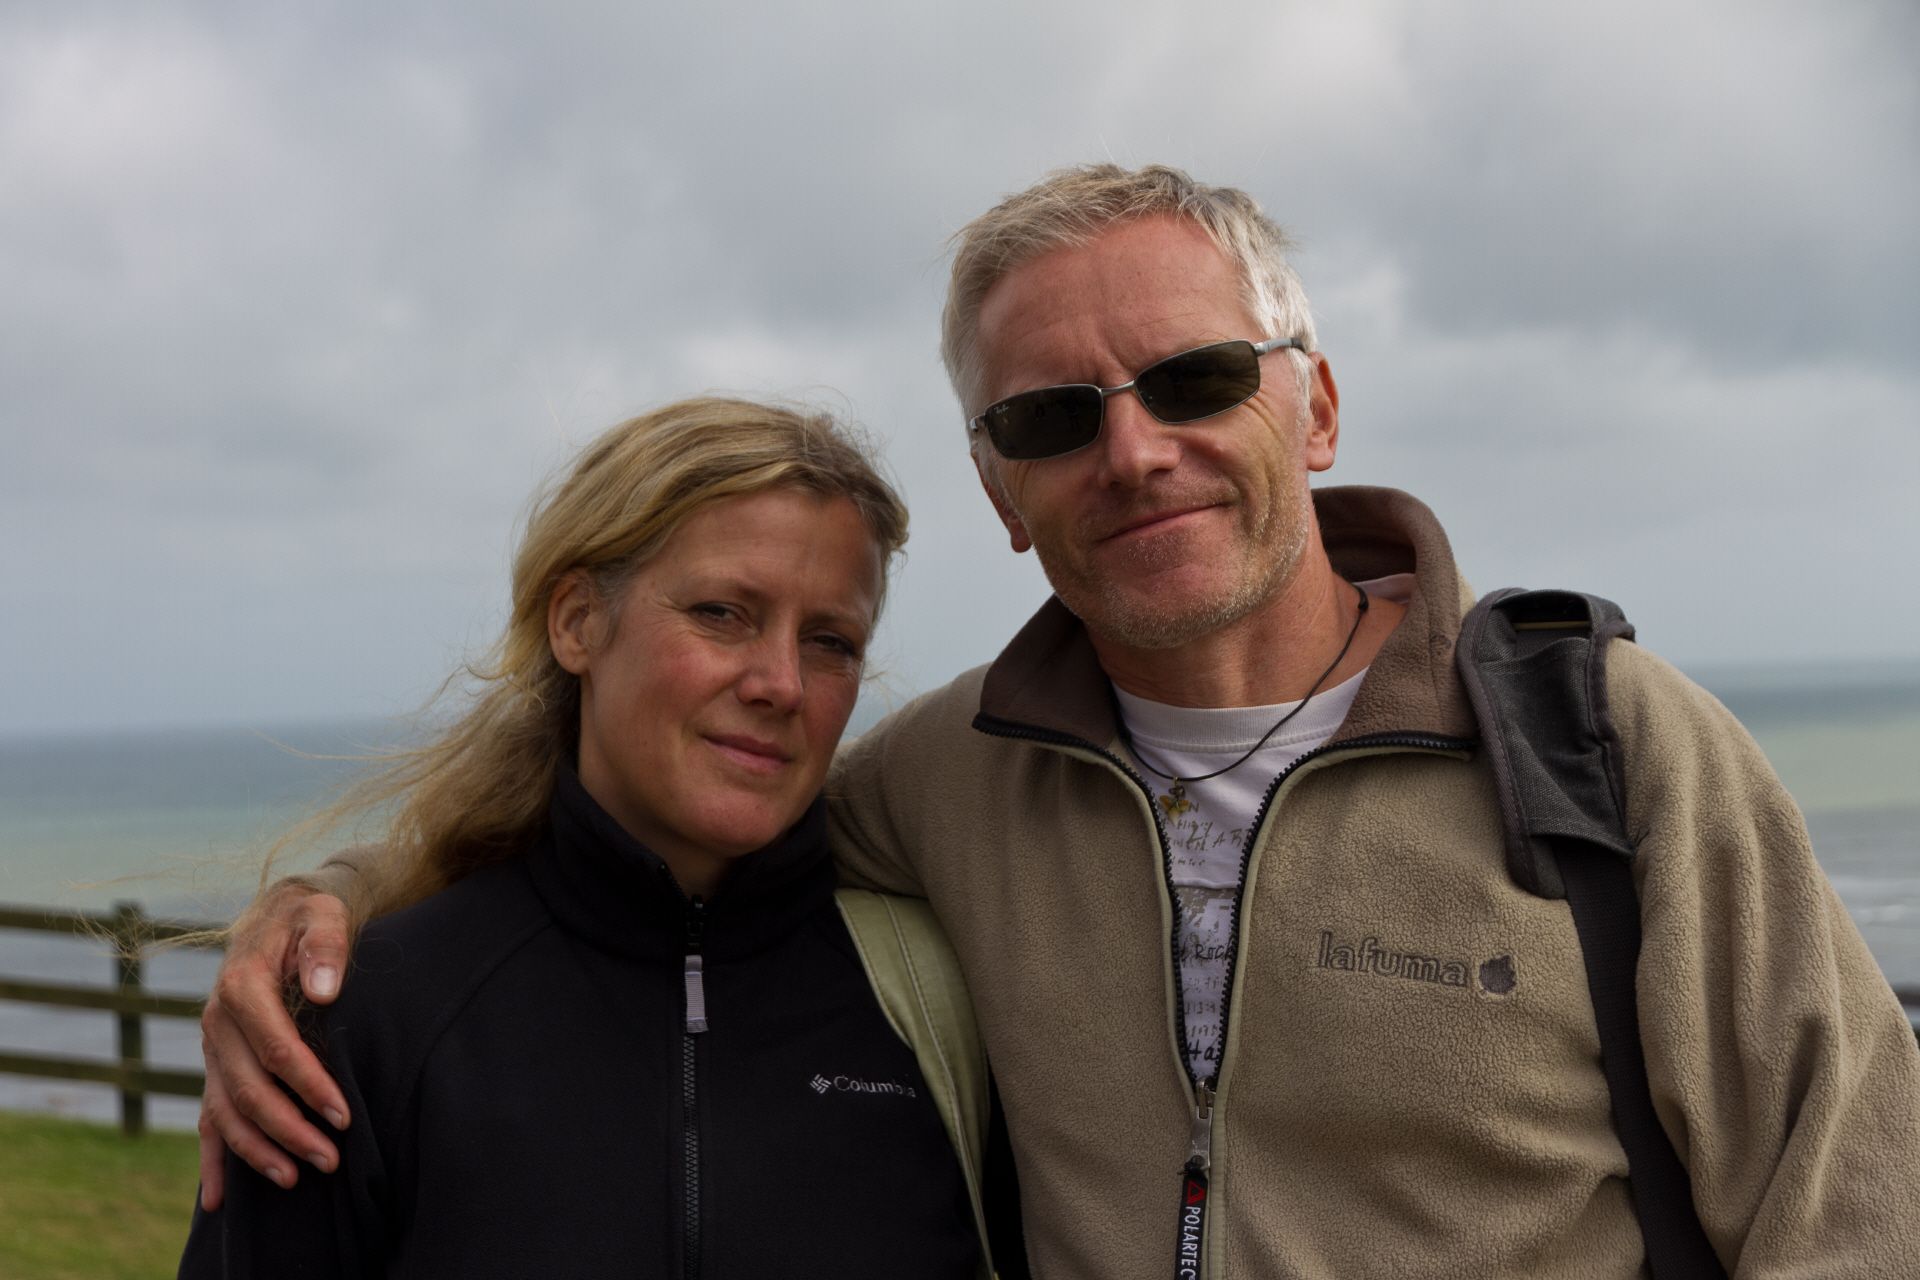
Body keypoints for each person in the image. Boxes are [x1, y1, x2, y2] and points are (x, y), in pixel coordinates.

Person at [194, 167, 1920, 1278]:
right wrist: (336, 913)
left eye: (1195, 379)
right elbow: (653, 831)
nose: (1135, 452)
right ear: (1002, 493)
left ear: (1314, 406)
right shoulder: (947, 785)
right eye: (1053, 417)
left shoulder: (1603, 747)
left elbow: (1856, 1199)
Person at [178, 397, 1003, 1278]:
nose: (782, 683)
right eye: (722, 613)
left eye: (831, 641)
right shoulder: (374, 1020)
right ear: (576, 621)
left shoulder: (942, 1008)